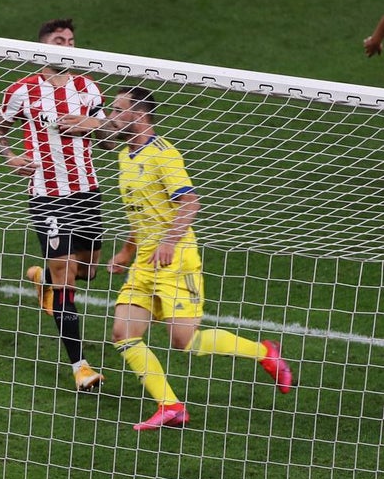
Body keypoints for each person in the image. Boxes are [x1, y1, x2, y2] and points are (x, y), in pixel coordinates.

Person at [105, 87, 294, 431]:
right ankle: (171, 405)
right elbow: (143, 214)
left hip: (175, 261)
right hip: (145, 263)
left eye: (117, 111)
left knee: (185, 342)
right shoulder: (124, 156)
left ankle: (266, 353)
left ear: (139, 115)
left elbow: (190, 202)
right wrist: (126, 252)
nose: (110, 118)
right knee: (123, 333)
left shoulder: (164, 155)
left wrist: (169, 241)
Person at [0, 18, 116, 392]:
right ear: (43, 47)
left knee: (89, 271)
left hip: (87, 191)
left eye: (72, 40)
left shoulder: (89, 88)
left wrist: (89, 123)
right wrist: (10, 157)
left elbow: (110, 141)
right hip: (46, 195)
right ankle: (80, 366)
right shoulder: (22, 91)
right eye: (60, 40)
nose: (68, 45)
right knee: (65, 277)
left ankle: (41, 280)